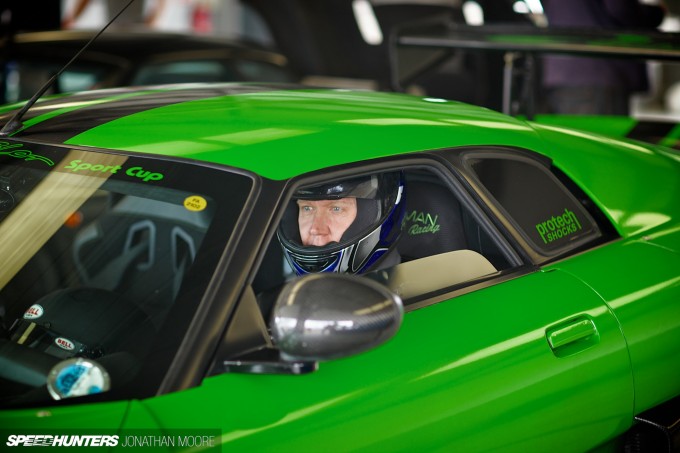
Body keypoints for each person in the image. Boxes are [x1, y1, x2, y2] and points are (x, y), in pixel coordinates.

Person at [542, 0, 667, 115]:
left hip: (558, 71)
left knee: (568, 137)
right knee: (598, 136)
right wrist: (656, 13)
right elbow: (621, 9)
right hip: (599, 71)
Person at [277, 172, 405, 275]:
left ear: (368, 216)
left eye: (336, 209)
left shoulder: (411, 298)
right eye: (307, 208)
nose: (316, 229)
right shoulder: (285, 295)